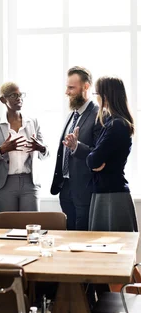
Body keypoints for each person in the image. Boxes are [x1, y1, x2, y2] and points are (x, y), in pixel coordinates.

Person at [76, 76, 137, 232]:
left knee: (114, 248)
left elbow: (93, 160)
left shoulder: (117, 124)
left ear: (106, 95)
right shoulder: (112, 122)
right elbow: (95, 159)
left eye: (97, 93)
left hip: (112, 195)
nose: (95, 97)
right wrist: (94, 159)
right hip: (106, 191)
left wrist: (94, 159)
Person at [0, 82, 49, 213]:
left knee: (31, 227)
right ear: (3, 99)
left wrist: (41, 148)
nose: (19, 98)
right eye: (14, 95)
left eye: (20, 95)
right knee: (6, 227)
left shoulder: (33, 122)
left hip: (30, 182)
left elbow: (45, 154)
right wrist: (3, 149)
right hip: (4, 183)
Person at [50, 66, 101, 231]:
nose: (67, 92)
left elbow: (99, 154)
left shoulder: (98, 115)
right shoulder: (72, 115)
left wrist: (76, 146)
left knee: (82, 238)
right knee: (69, 236)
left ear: (86, 87)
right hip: (65, 187)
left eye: (71, 87)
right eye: (67, 87)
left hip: (84, 189)